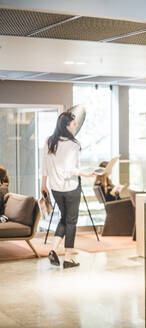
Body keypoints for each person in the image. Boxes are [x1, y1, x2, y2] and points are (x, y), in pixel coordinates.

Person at [41, 111, 94, 269]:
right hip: (71, 188)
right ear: (66, 126)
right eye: (74, 124)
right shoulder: (73, 144)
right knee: (71, 221)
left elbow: (44, 166)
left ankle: (53, 249)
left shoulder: (49, 141)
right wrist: (86, 173)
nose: (76, 127)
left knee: (64, 219)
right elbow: (70, 169)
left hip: (55, 188)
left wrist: (43, 185)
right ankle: (69, 258)